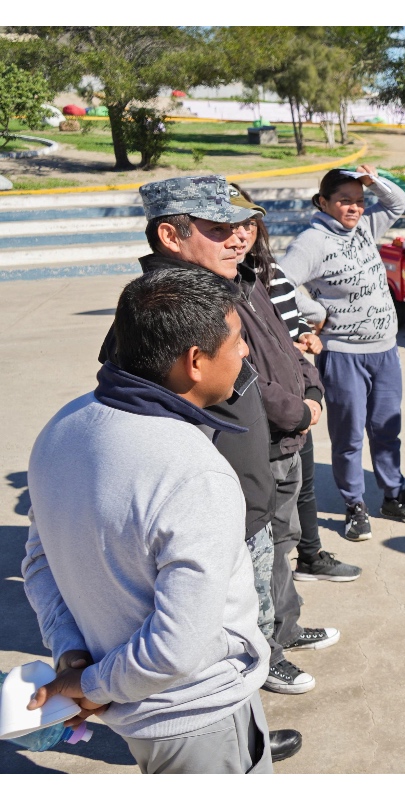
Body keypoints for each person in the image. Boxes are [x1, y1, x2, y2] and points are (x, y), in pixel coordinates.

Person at [24, 268, 274, 773]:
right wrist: (90, 685)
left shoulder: (63, 427)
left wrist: (74, 655)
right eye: (238, 339)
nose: (245, 353)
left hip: (137, 713)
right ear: (196, 362)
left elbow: (39, 562)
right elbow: (177, 647)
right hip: (199, 716)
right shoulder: (194, 473)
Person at [95, 176, 314, 734]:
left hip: (243, 492)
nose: (237, 238)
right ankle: (231, 733)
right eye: (218, 229)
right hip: (209, 508)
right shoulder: (155, 317)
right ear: (171, 234)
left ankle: (242, 727)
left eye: (241, 226)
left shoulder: (222, 290)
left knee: (242, 618)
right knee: (212, 633)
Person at [280, 165, 405, 543]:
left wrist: (373, 181)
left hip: (385, 350)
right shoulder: (311, 243)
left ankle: (394, 496)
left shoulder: (364, 227)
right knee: (348, 437)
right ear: (323, 203)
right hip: (344, 353)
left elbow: (398, 202)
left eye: (359, 201)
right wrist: (315, 314)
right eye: (344, 201)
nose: (354, 208)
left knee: (386, 429)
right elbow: (278, 281)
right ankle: (354, 505)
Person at [232, 184, 361, 585]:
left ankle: (309, 555)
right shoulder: (228, 284)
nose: (241, 234)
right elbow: (247, 363)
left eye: (248, 224)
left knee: (303, 487)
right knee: (272, 515)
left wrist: (305, 341)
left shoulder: (262, 269)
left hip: (296, 389)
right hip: (274, 411)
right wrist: (300, 408)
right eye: (228, 226)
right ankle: (280, 610)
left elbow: (290, 316)